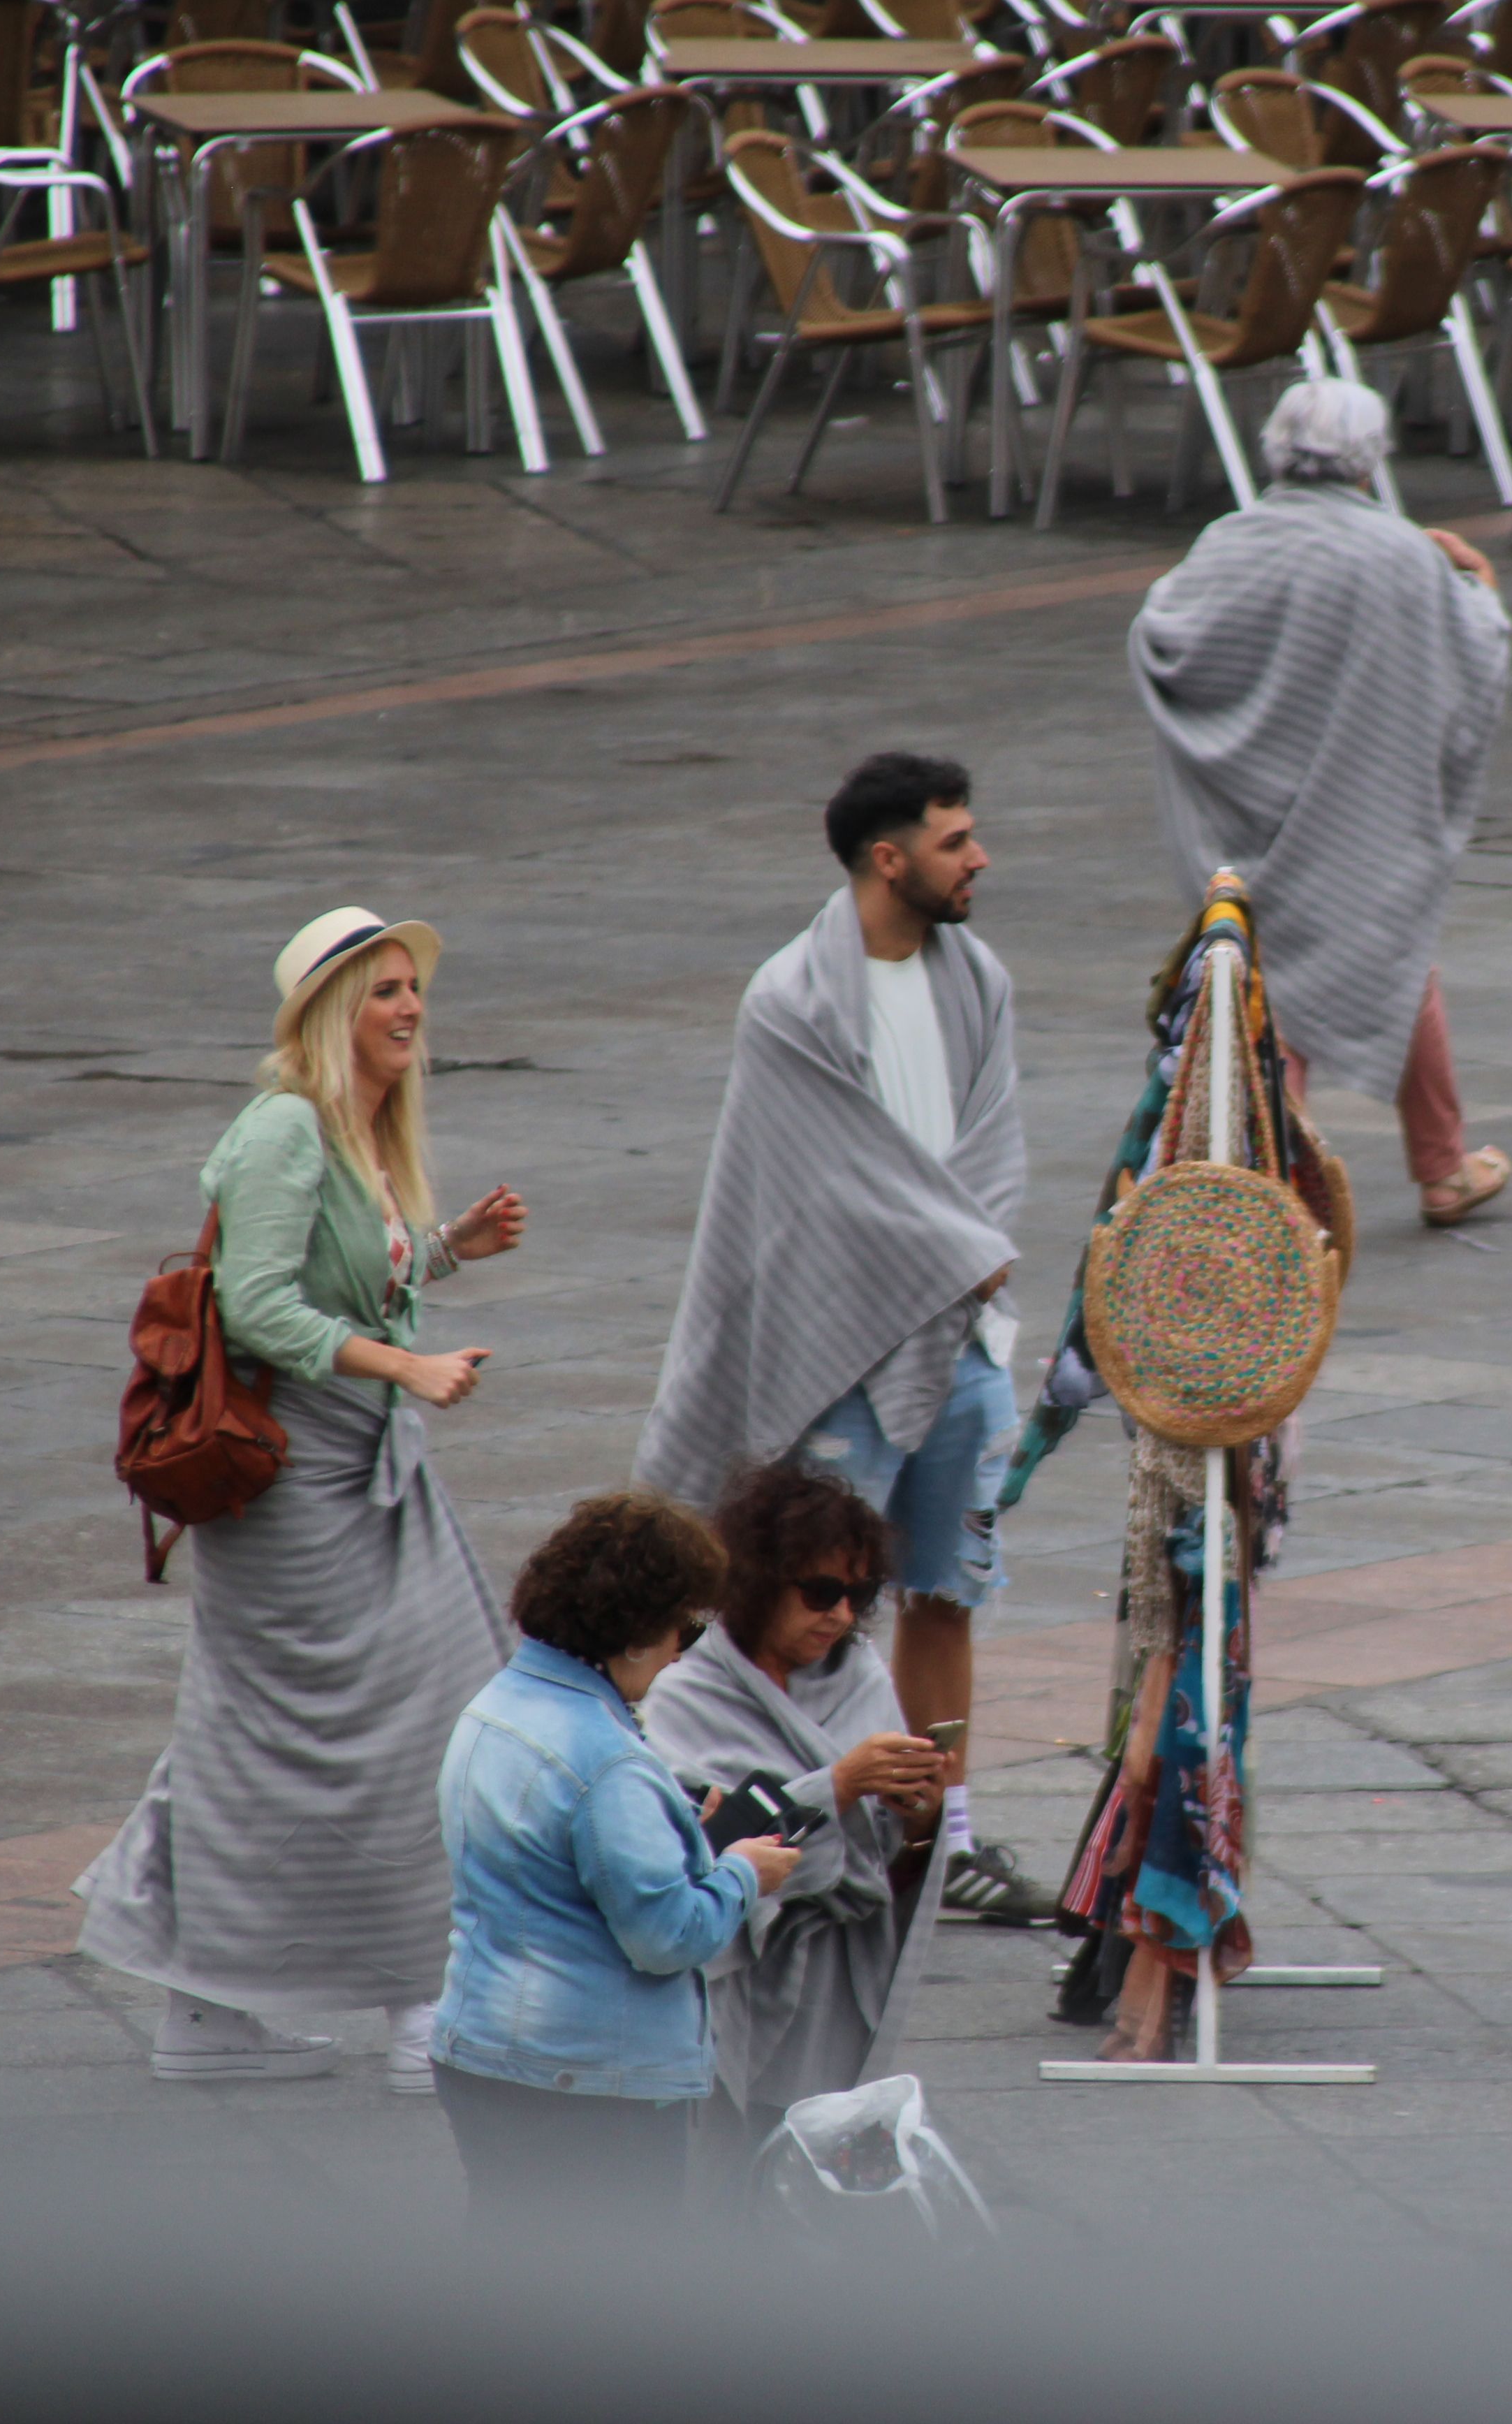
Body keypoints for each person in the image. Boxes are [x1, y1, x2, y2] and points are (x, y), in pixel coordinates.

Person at [77, 909, 529, 2089]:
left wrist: (451, 1249)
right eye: (383, 991)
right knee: (401, 1723)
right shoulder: (284, 1128)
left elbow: (344, 1275)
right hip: (297, 1487)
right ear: (331, 1013)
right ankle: (420, 2004)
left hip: (354, 1473)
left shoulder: (357, 1132)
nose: (410, 1008)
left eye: (412, 989)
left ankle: (206, 2010)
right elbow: (258, 1310)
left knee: (270, 1731)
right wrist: (409, 1368)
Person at [642, 753, 1048, 1925]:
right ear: (890, 857)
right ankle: (769, 1808)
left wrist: (961, 1258)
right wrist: (955, 1247)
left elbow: (994, 1153)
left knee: (946, 1589)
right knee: (802, 1596)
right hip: (851, 1354)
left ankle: (939, 1830)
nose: (980, 859)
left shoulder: (980, 981)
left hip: (961, 1338)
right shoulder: (791, 1001)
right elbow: (828, 1187)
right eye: (957, 840)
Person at [1128, 379, 1512, 1225]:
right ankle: (1292, 1191)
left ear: (1276, 448)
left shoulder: (1230, 541)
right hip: (1352, 807)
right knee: (1378, 953)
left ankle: (1395, 1169)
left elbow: (1162, 634)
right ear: (1372, 456)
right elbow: (1472, 649)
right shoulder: (1400, 552)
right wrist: (1480, 583)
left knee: (1277, 975)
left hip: (1244, 807)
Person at [427, 1491, 795, 2234]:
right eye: (683, 1627)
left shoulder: (496, 1704)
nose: (683, 1651)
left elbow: (548, 1855)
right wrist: (743, 1873)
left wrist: (675, 1826)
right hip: (590, 2078)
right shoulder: (609, 1760)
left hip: (482, 2046)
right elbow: (667, 1937)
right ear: (632, 1635)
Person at [638, 1459, 948, 2144]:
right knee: (727, 2167)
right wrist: (837, 1784)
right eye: (819, 1591)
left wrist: (914, 1808)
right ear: (757, 1583)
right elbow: (699, 1847)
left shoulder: (860, 1672)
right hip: (735, 1981)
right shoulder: (686, 1694)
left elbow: (882, 1849)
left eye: (858, 1592)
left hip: (838, 1978)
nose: (840, 1614)